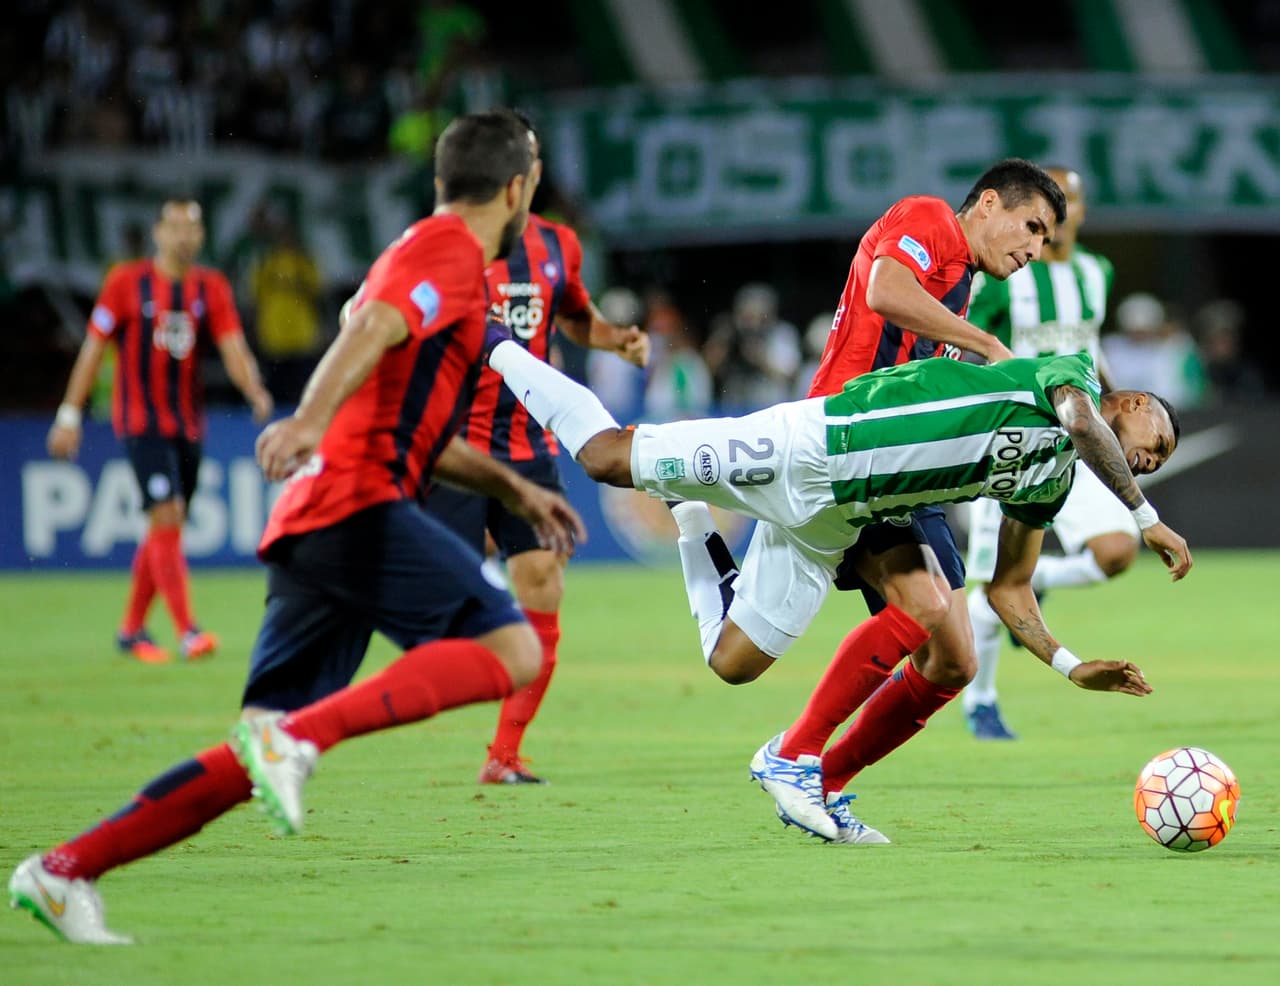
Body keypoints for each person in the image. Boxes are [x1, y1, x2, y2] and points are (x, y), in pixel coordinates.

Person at [9, 109, 584, 946]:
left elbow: (416, 421)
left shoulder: (437, 255)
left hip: (323, 517)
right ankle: (303, 742)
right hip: (356, 501)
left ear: (438, 181)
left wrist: (517, 491)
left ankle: (64, 871)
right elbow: (373, 324)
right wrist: (312, 417)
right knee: (514, 650)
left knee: (257, 749)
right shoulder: (449, 252)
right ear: (518, 187)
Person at [487, 334, 1189, 836]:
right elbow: (1077, 420)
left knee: (734, 661)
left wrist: (1070, 666)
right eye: (1150, 440)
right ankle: (494, 344)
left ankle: (696, 532)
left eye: (1156, 463)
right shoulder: (1072, 382)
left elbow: (1009, 588)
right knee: (607, 457)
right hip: (814, 447)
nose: (1147, 459)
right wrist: (1144, 515)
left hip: (848, 513)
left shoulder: (1048, 480)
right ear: (1123, 401)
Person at [424, 115, 649, 785]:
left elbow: (573, 316)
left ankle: (504, 754)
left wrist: (614, 339)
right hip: (457, 452)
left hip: (528, 448)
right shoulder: (454, 245)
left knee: (544, 585)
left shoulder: (560, 247)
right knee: (433, 608)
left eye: (537, 157)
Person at [46, 199, 274, 664]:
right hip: (139, 421)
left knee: (164, 527)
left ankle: (130, 630)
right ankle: (188, 630)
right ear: (158, 233)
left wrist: (255, 391)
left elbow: (234, 346)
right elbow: (93, 348)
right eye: (175, 227)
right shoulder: (126, 283)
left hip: (188, 424)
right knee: (166, 514)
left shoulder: (210, 287)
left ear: (202, 236)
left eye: (193, 227)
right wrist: (70, 414)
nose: (184, 236)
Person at [962, 166, 1134, 740]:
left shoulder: (1096, 272)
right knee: (988, 577)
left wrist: (1111, 402)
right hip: (1014, 441)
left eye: (1072, 203)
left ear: (1078, 212)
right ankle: (980, 701)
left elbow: (1087, 342)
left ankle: (1040, 578)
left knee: (1116, 551)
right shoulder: (1006, 276)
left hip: (1081, 435)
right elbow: (968, 341)